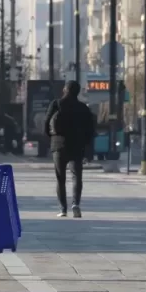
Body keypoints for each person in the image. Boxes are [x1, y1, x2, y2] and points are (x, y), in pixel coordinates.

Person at [44, 80, 95, 218]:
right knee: (76, 176)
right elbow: (90, 130)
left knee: (60, 178)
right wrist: (86, 146)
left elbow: (46, 122)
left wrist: (52, 137)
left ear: (65, 90)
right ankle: (75, 204)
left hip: (58, 144)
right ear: (78, 92)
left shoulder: (56, 104)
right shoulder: (83, 108)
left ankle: (63, 209)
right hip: (77, 146)